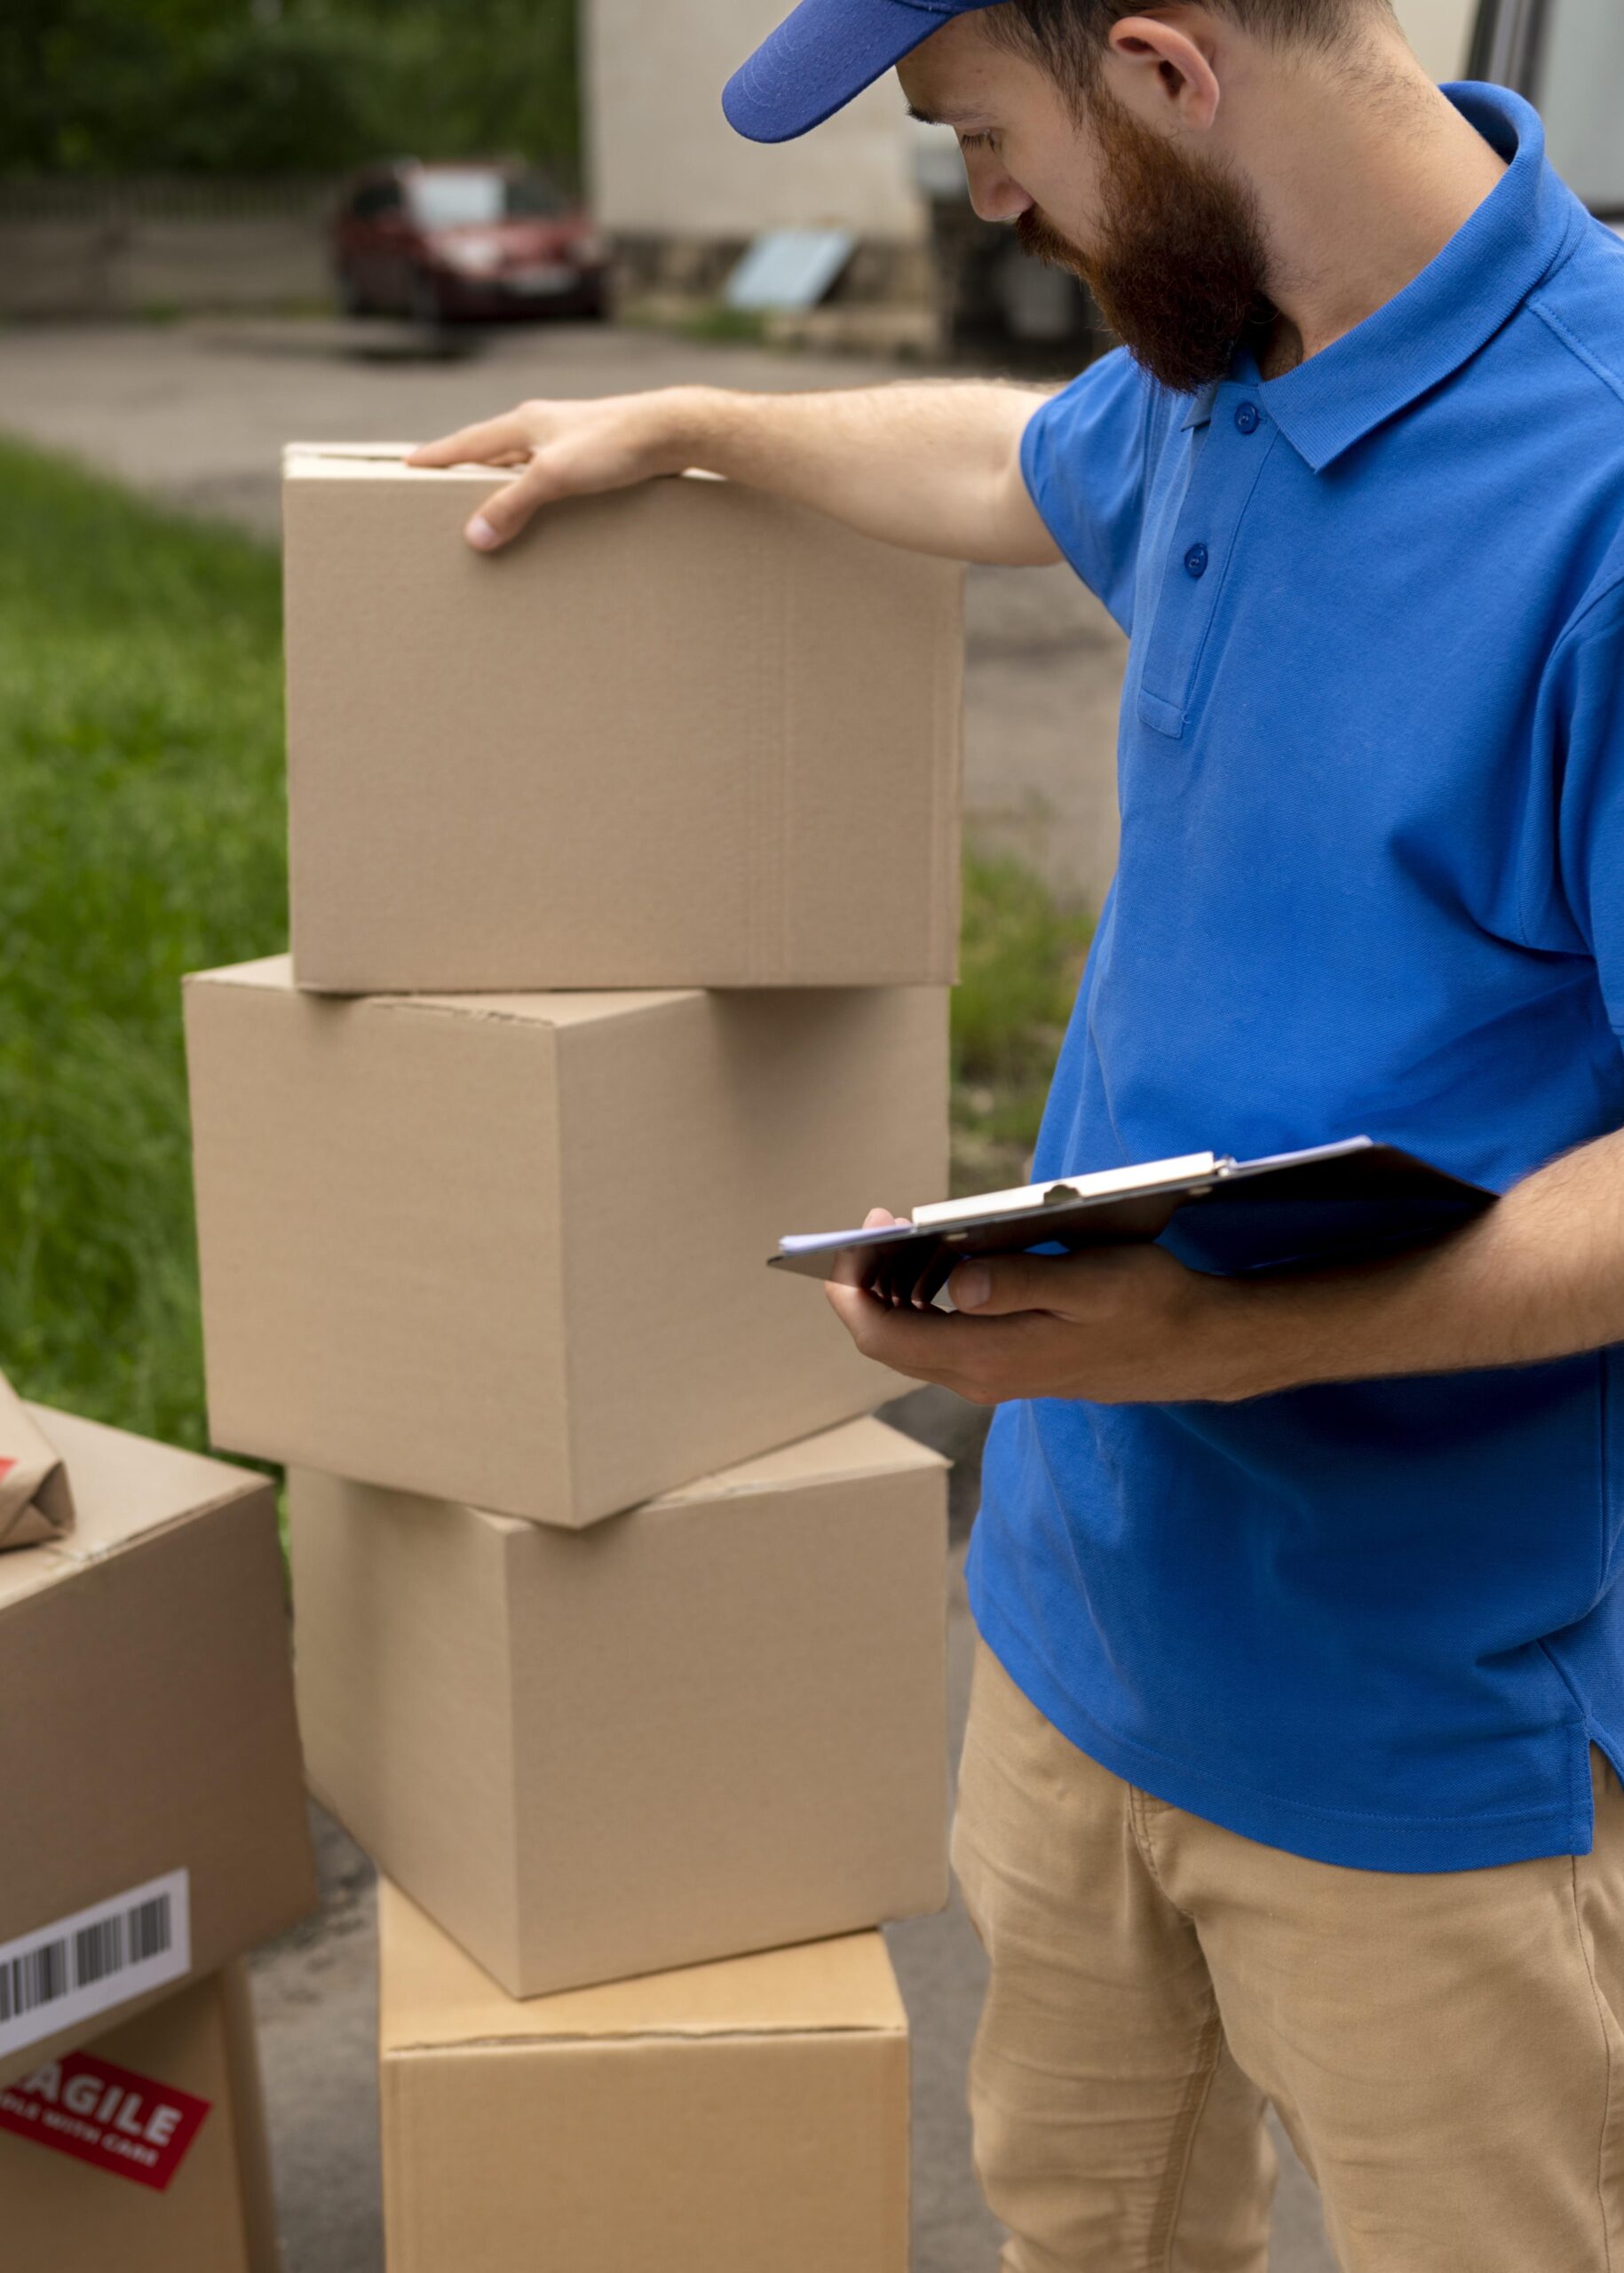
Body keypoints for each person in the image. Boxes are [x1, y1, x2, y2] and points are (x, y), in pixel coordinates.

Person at [410, 4, 1624, 2262]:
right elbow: (1014, 465)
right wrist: (691, 423)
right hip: (1078, 1632)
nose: (978, 199)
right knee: (1087, 2224)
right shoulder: (1221, 356)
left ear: (1166, 70)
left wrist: (1246, 1336)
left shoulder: (1600, 483)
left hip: (1420, 1729)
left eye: (984, 134)